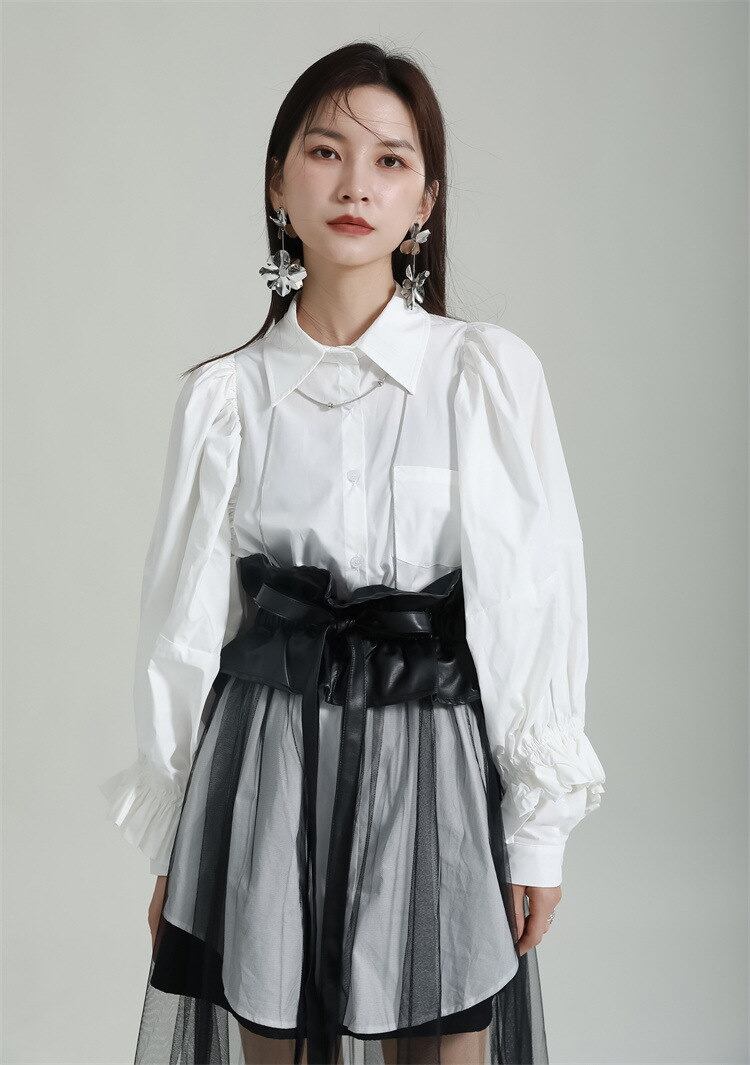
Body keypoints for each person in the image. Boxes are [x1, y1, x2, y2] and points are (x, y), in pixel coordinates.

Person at [99, 41, 606, 1065]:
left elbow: (529, 601)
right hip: (266, 768)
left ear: (426, 202)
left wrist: (538, 829)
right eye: (326, 152)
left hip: (432, 773)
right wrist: (176, 837)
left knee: (443, 1038)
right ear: (278, 183)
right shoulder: (225, 398)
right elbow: (186, 629)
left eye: (390, 160)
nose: (355, 185)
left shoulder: (482, 377)